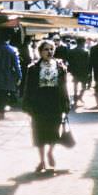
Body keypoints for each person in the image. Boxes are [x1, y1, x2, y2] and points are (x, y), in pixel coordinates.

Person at [22, 40, 70, 172]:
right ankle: (42, 160)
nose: (49, 52)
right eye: (46, 49)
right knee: (39, 133)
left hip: (55, 103)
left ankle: (50, 152)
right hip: (39, 103)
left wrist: (66, 103)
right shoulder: (32, 68)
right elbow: (28, 87)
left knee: (54, 131)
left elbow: (64, 87)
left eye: (51, 49)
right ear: (40, 52)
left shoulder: (60, 67)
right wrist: (27, 104)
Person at [0, 31, 22, 120]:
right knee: (5, 93)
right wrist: (19, 75)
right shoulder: (12, 50)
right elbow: (16, 64)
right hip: (8, 75)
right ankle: (2, 110)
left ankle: (0, 109)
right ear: (9, 39)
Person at [66, 38, 89, 107]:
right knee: (84, 86)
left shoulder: (72, 51)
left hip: (75, 71)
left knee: (75, 86)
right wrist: (89, 72)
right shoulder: (86, 51)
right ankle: (79, 97)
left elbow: (69, 61)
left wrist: (70, 70)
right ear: (83, 43)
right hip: (83, 71)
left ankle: (76, 99)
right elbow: (88, 63)